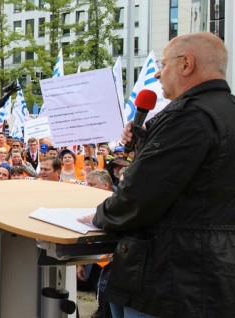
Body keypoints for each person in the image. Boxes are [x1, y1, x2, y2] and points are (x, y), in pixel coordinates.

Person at [89, 32, 235, 317]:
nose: (157, 73)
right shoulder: (225, 111)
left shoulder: (190, 118)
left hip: (171, 277)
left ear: (186, 64)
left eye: (164, 64)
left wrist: (100, 216)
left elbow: (142, 195)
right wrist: (147, 143)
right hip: (210, 272)